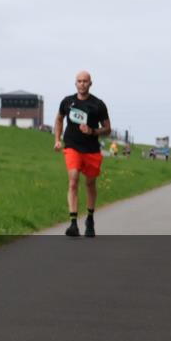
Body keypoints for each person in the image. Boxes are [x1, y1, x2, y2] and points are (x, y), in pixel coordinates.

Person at [53, 71, 110, 238]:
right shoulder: (67, 101)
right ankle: (73, 223)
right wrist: (57, 139)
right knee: (73, 180)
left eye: (85, 81)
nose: (82, 84)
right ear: (75, 83)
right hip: (72, 146)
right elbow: (59, 119)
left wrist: (92, 131)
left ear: (90, 83)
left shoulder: (98, 105)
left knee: (90, 184)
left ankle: (90, 219)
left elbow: (107, 129)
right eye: (79, 81)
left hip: (91, 149)